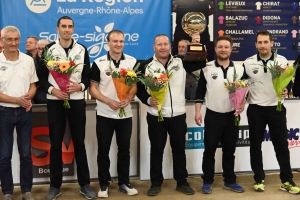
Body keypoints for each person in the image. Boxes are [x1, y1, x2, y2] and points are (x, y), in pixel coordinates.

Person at [136, 34, 204, 196]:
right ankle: (156, 183)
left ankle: (182, 182)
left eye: (165, 44)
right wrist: (147, 99)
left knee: (179, 150)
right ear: (154, 47)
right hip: (156, 115)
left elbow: (200, 62)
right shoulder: (145, 65)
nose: (163, 47)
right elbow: (138, 88)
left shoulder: (181, 62)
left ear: (170, 46)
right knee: (157, 150)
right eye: (159, 44)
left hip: (178, 115)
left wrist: (197, 45)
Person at [39, 16, 96, 200]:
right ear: (57, 28)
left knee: (79, 143)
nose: (67, 29)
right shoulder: (49, 49)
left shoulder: (82, 49)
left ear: (73, 29)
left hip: (77, 101)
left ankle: (85, 185)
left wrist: (80, 87)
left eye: (70, 26)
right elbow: (40, 78)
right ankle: (54, 187)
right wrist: (52, 89)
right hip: (55, 101)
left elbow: (87, 77)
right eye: (63, 26)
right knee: (56, 144)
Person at [243, 30, 300, 194]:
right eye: (259, 42)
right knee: (255, 145)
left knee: (281, 146)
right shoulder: (248, 62)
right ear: (256, 45)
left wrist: (285, 90)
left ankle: (287, 180)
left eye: (265, 42)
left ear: (271, 43)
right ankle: (258, 179)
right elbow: (242, 84)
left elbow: (288, 81)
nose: (262, 45)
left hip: (277, 108)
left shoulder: (282, 61)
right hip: (255, 109)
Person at [89, 30, 139, 198]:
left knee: (124, 149)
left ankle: (124, 182)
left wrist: (129, 97)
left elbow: (134, 86)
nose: (118, 44)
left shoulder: (132, 62)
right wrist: (107, 101)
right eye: (115, 41)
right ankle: (104, 184)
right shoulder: (98, 62)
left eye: (121, 41)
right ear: (107, 43)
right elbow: (93, 89)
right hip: (104, 113)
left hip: (125, 115)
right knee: (103, 150)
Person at [194, 35, 245, 194]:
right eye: (220, 47)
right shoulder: (207, 68)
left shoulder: (239, 68)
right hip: (213, 116)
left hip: (232, 116)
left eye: (226, 47)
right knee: (209, 150)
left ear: (231, 49)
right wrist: (197, 111)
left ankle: (229, 180)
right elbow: (200, 92)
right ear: (215, 49)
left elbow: (244, 91)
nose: (223, 49)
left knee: (229, 151)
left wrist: (242, 104)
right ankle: (207, 181)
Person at [0, 26, 38, 200]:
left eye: (16, 39)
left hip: (25, 111)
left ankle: (26, 191)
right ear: (3, 41)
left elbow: (33, 85)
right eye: (10, 39)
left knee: (25, 154)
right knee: (4, 155)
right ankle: (7, 192)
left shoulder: (28, 60)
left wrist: (27, 97)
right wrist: (16, 100)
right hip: (4, 112)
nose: (13, 43)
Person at [27, 38, 48, 104]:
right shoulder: (32, 61)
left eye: (43, 49)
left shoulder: (55, 61)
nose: (41, 51)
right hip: (38, 88)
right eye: (39, 48)